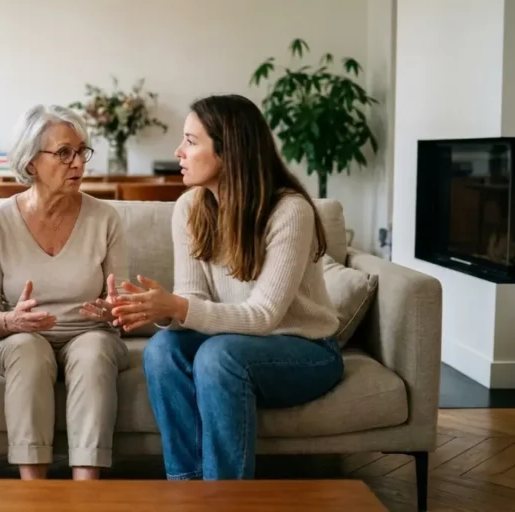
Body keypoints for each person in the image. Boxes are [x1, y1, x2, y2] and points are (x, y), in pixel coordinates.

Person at [110, 94, 344, 481]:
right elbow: (195, 300)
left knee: (219, 355)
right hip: (235, 344)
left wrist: (179, 307)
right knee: (162, 350)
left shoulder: (290, 211)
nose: (178, 151)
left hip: (307, 351)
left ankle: (226, 498)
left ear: (228, 150)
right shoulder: (189, 208)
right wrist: (164, 309)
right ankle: (187, 489)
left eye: (191, 140)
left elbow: (264, 316)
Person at [0, 104, 129, 481]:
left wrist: (114, 311)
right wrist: (9, 320)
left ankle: (85, 491)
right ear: (30, 163)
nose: (77, 163)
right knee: (28, 348)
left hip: (88, 334)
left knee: (93, 351)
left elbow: (120, 303)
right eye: (63, 153)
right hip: (16, 337)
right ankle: (34, 493)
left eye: (81, 152)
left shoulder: (106, 218)